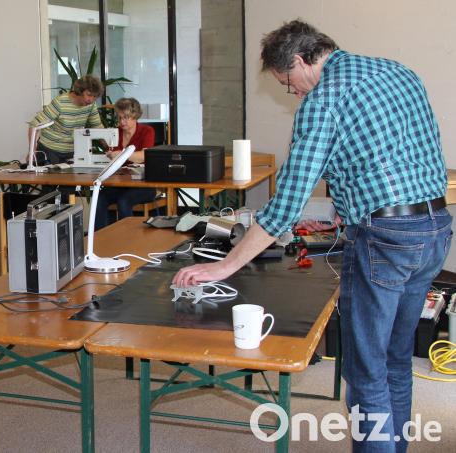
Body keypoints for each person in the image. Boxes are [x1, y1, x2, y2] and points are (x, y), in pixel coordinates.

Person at [173, 20, 452, 452]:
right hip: (434, 227)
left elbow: (286, 205)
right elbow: (405, 151)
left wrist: (226, 266)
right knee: (396, 359)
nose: (294, 93)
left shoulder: (324, 98)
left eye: (289, 84)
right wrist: (346, 200)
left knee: (365, 369)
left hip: (385, 238)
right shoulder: (397, 71)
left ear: (302, 61)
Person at [94, 97, 156, 229]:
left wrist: (121, 154)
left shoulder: (147, 131)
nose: (122, 122)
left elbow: (144, 156)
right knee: (98, 199)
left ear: (135, 116)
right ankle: (100, 238)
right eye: (120, 117)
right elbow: (111, 157)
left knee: (124, 201)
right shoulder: (115, 133)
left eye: (126, 118)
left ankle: (127, 239)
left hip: (144, 185)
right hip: (120, 184)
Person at [28, 75, 104, 164]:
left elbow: (97, 127)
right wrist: (32, 153)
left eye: (95, 97)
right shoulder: (60, 102)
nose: (91, 100)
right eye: (89, 95)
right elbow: (34, 125)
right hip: (49, 150)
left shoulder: (91, 105)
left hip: (71, 151)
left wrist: (109, 146)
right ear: (80, 90)